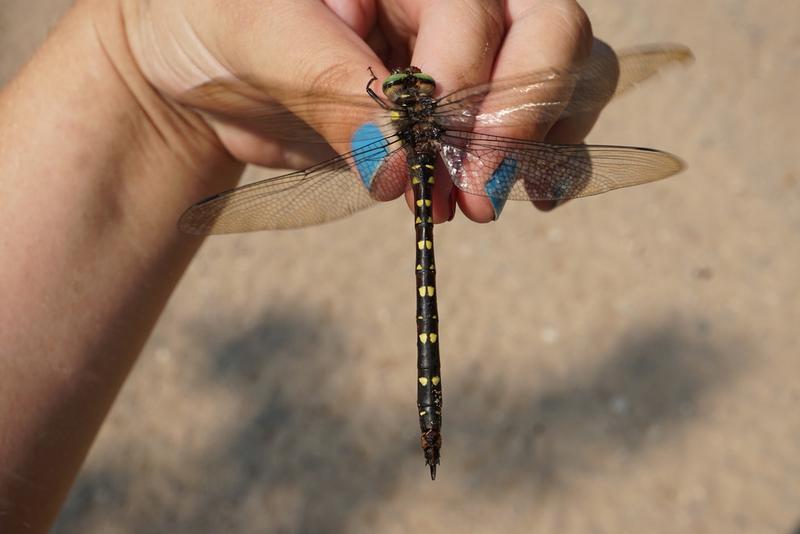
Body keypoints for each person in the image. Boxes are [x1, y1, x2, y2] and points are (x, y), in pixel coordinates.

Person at [0, 0, 600, 530]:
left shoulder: (387, 104)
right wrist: (138, 60)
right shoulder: (435, 114)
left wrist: (141, 61)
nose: (408, 85)